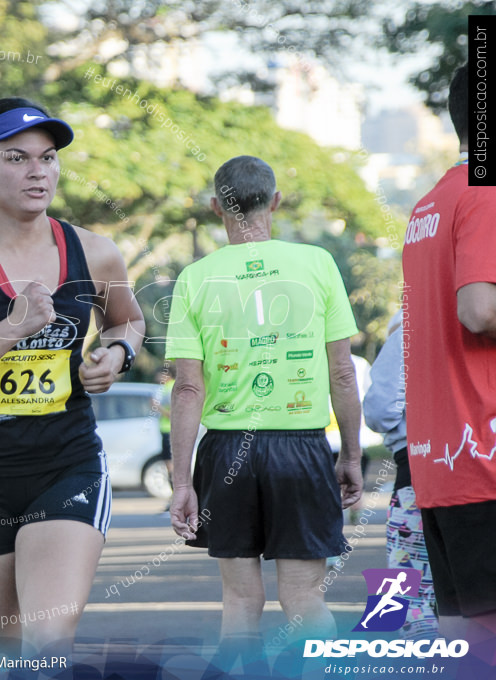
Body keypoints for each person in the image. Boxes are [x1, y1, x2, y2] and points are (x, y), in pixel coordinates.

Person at [0, 97, 145, 661]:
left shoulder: (95, 252)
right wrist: (10, 329)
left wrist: (117, 352)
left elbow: (129, 319)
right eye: (17, 157)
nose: (38, 171)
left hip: (66, 466)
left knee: (47, 643)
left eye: (48, 158)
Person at [166, 156, 363, 672]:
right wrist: (353, 457)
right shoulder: (318, 263)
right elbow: (342, 373)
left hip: (227, 449)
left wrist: (181, 482)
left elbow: (187, 388)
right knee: (304, 602)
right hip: (300, 447)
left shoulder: (194, 277)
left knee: (240, 606)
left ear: (216, 208)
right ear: (274, 201)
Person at [402, 64, 496, 647]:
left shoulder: (430, 203)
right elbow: (479, 310)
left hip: (441, 464)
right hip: (485, 460)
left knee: (472, 640)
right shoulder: (486, 195)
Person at [362, 312, 437, 639]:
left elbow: (379, 407)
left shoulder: (415, 321)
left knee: (405, 594)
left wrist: (399, 433)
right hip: (481, 461)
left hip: (417, 463)